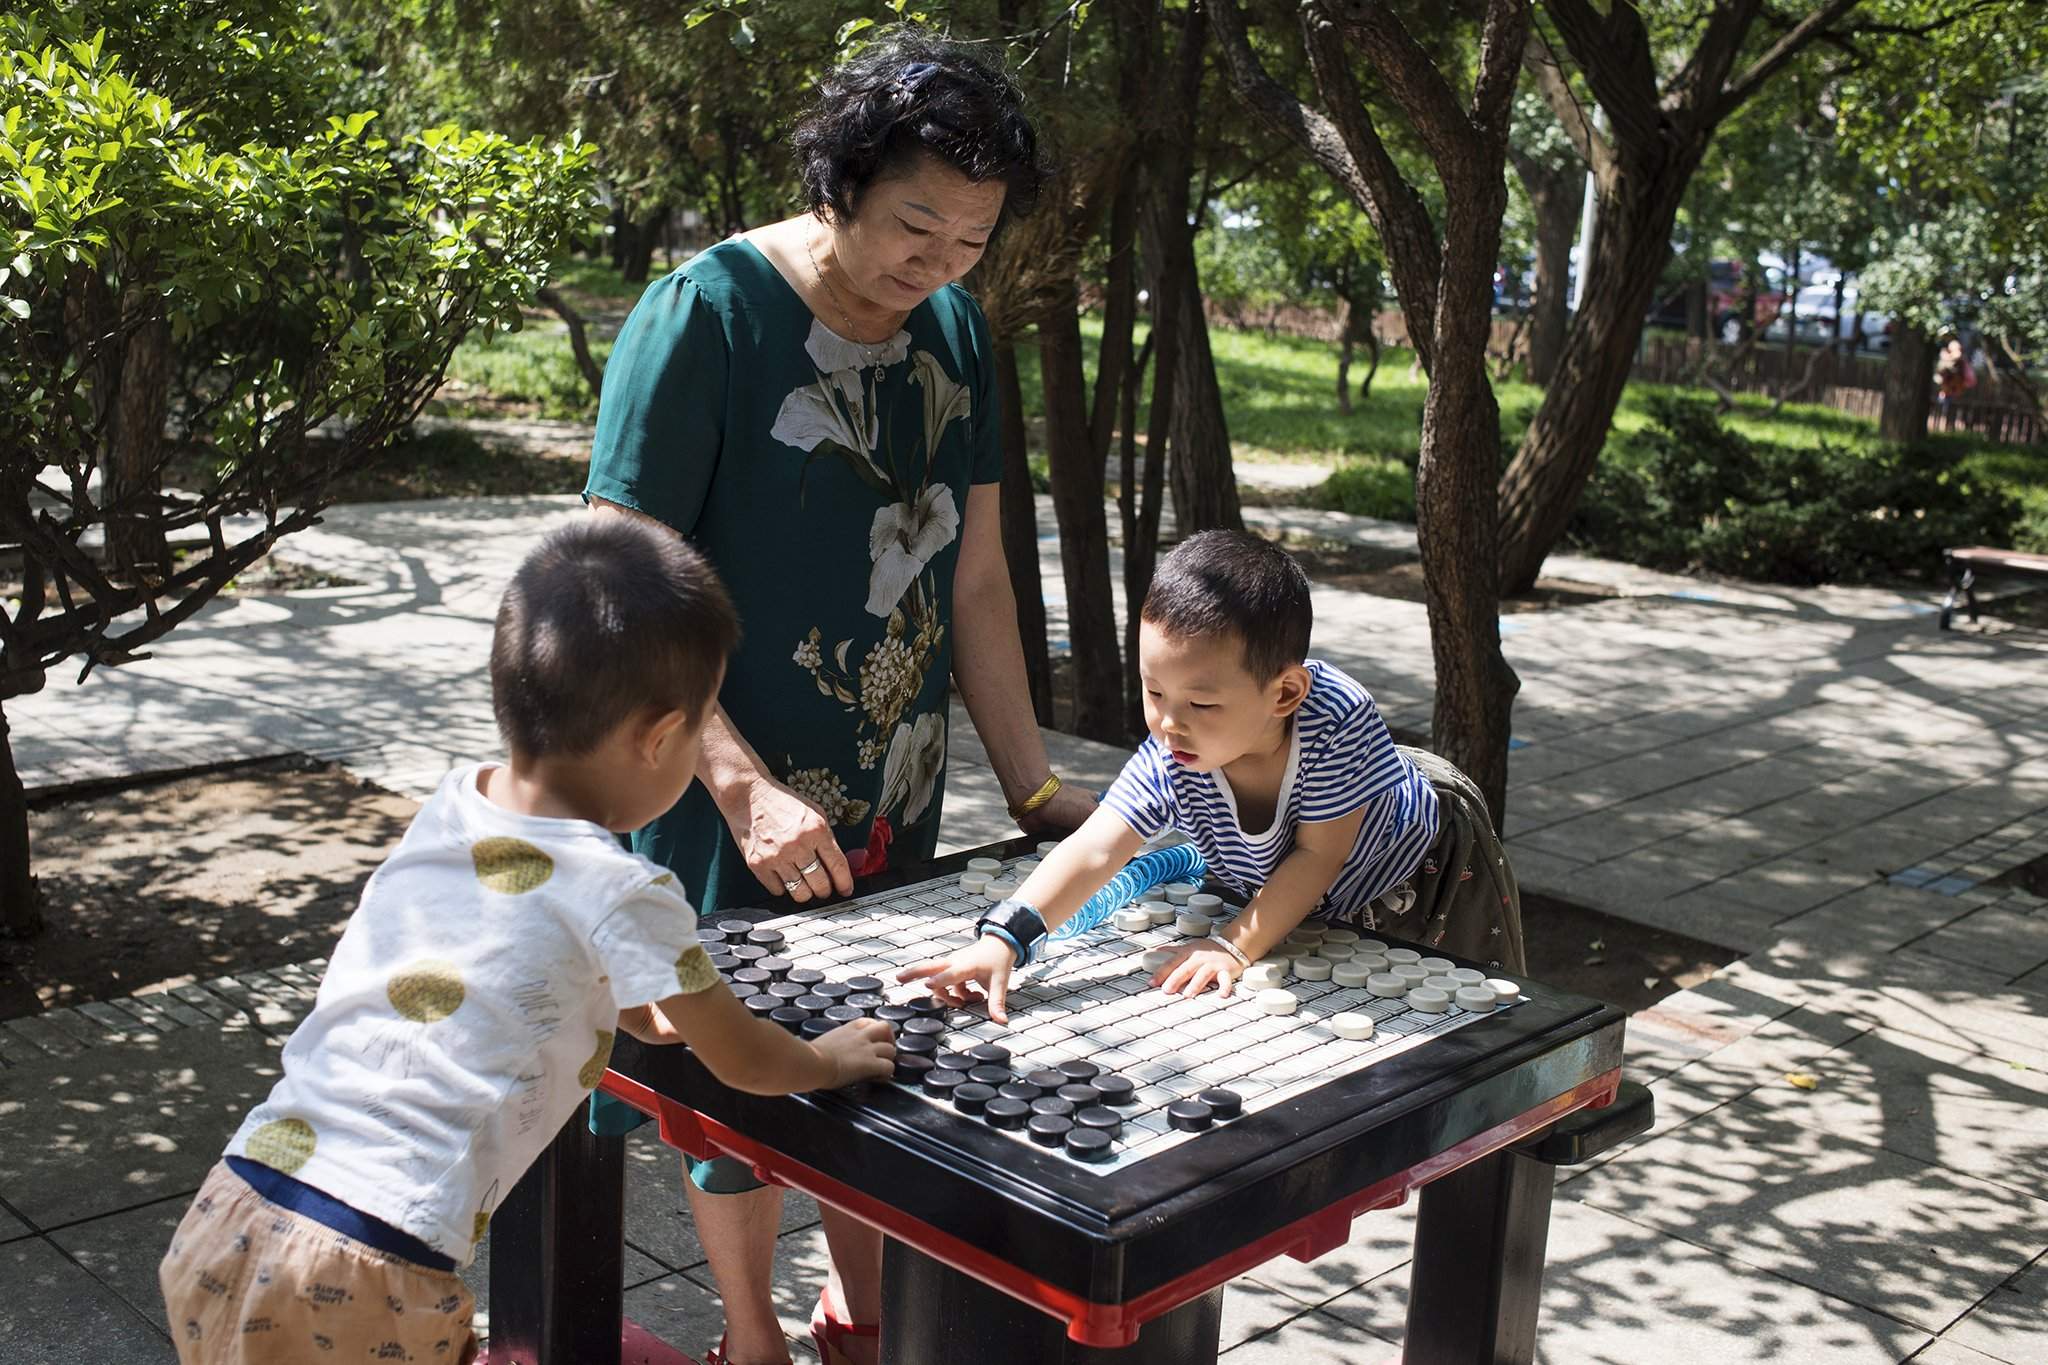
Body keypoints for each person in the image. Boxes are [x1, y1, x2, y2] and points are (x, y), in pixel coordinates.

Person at [580, 30, 1090, 1365]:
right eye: (917, 223)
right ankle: (751, 1335)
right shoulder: (705, 316)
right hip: (716, 772)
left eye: (973, 239)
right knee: (732, 1073)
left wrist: (1032, 784)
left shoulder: (961, 335)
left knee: (881, 1054)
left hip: (887, 782)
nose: (939, 262)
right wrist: (742, 788)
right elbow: (620, 582)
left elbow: (976, 582)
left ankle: (860, 1319)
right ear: (842, 181)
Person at [154, 518, 896, 1365]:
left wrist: (639, 1010)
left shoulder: (454, 804)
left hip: (235, 1208)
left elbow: (525, 964)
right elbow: (746, 1061)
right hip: (369, 1266)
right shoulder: (624, 890)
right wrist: (830, 1060)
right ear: (660, 740)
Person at [902, 530, 1527, 1022]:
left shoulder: (1336, 721)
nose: (1168, 723)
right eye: (1153, 692)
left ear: (1284, 694)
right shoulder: (1174, 750)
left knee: (1465, 1019)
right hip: (1305, 891)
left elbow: (1316, 858)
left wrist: (1232, 944)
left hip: (1425, 874)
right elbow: (1096, 847)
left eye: (1200, 704)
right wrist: (1004, 940)